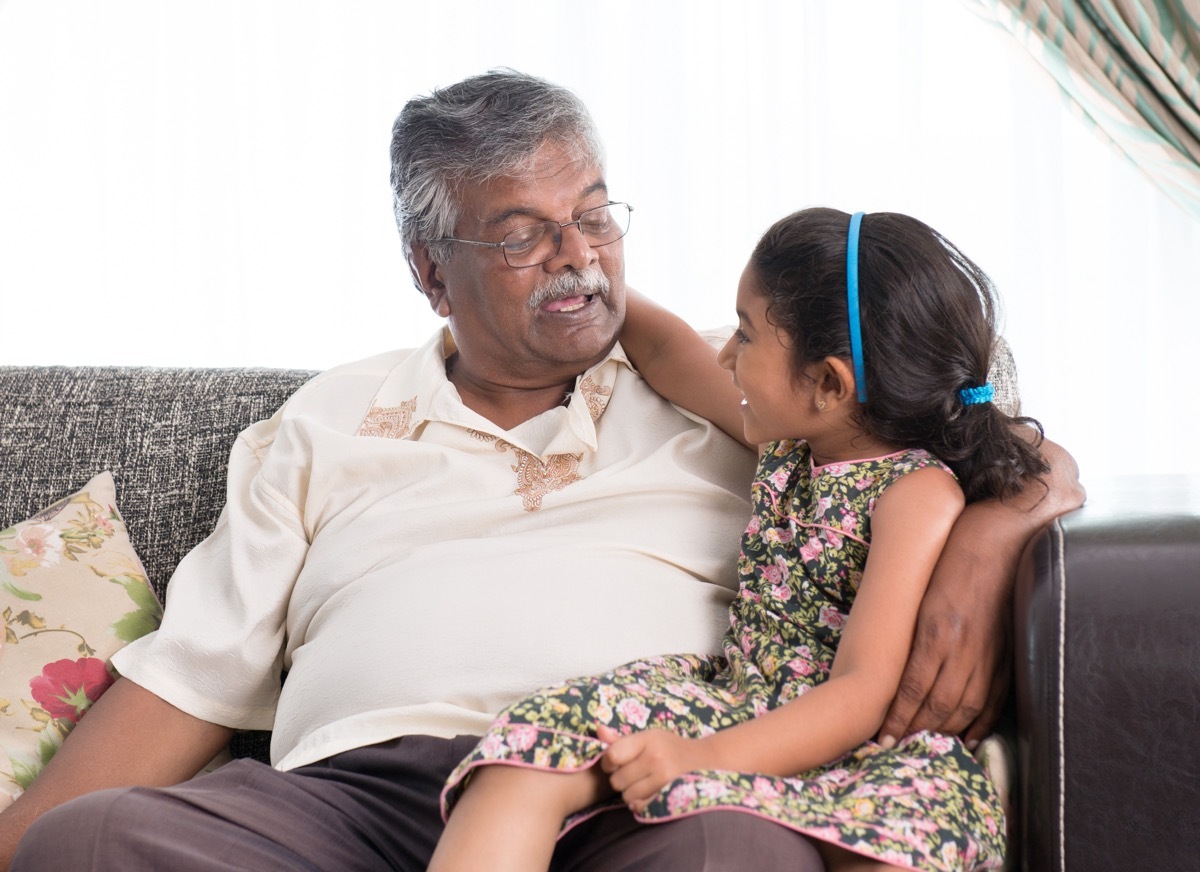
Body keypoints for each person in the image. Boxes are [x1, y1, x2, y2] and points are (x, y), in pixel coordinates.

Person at [0, 71, 1082, 871]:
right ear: (431, 271)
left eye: (594, 215)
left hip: (636, 789)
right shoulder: (323, 420)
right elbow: (190, 678)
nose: (578, 256)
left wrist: (995, 534)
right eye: (523, 235)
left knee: (734, 855)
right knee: (87, 846)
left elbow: (971, 433)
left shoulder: (750, 383)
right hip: (353, 806)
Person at [428, 207, 1046, 872]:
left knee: (896, 851)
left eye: (745, 336)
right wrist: (584, 278)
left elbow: (861, 691)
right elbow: (668, 352)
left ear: (828, 384)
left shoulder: (916, 495)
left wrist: (701, 759)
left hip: (859, 748)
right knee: (527, 756)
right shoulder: (789, 443)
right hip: (740, 701)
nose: (725, 354)